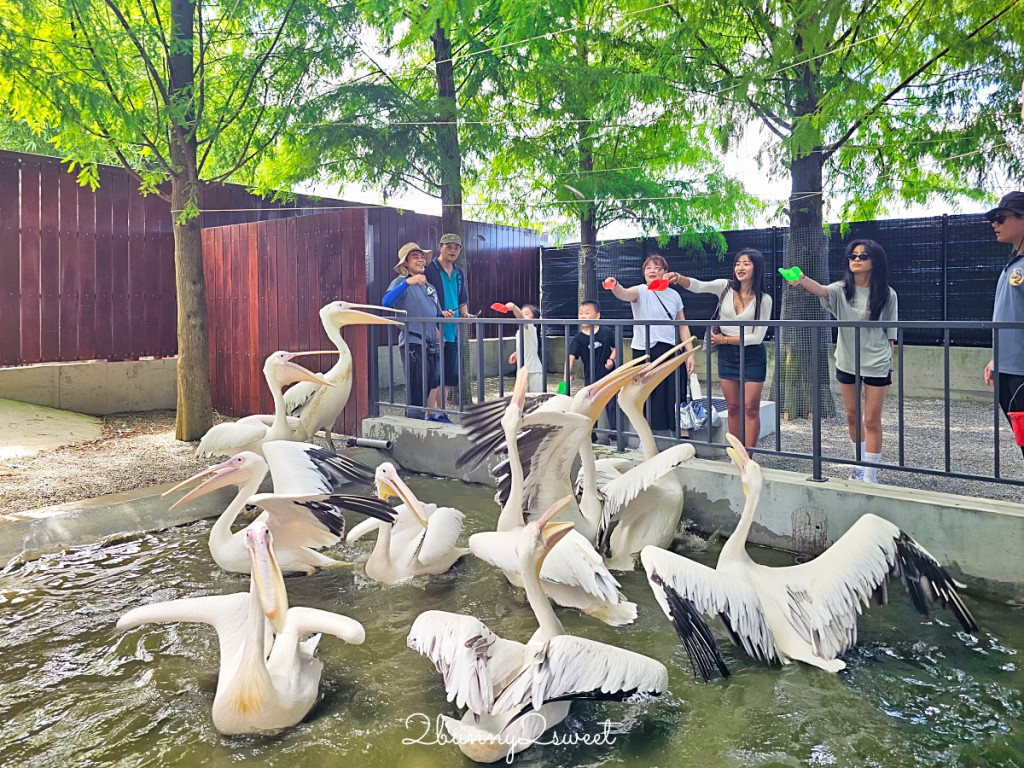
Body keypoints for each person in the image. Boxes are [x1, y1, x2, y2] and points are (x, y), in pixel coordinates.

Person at [786, 239, 898, 482]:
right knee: (852, 416)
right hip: (847, 362)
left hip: (877, 363)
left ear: (875, 262)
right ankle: (859, 466)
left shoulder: (888, 294)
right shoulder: (840, 289)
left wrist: (891, 364)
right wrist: (801, 279)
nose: (856, 260)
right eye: (852, 256)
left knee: (872, 420)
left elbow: (891, 333)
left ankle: (871, 476)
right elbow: (821, 290)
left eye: (863, 256)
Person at [667, 248, 772, 454]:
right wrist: (678, 278)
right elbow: (699, 286)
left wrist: (723, 339)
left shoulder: (764, 299)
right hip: (727, 355)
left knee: (751, 408)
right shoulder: (725, 287)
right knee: (733, 407)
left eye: (746, 263)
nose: (740, 268)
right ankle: (737, 453)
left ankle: (748, 457)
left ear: (757, 267)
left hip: (752, 355)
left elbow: (757, 337)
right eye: (737, 263)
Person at [604, 254, 696, 438]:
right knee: (645, 392)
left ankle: (680, 431)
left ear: (665, 272)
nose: (652, 271)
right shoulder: (641, 290)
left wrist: (690, 352)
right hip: (644, 350)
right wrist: (615, 285)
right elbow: (625, 294)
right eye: (648, 268)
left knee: (675, 390)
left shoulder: (674, 295)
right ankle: (645, 435)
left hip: (670, 349)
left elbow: (682, 325)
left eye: (657, 268)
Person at [382, 242, 445, 421]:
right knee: (416, 386)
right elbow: (386, 302)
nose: (421, 260)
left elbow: (435, 312)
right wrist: (407, 283)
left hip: (431, 343)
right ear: (405, 263)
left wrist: (443, 317)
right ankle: (413, 422)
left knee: (430, 383)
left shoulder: (429, 286)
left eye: (422, 257)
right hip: (413, 342)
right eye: (415, 257)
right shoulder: (400, 282)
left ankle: (425, 419)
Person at [984, 191, 1024, 458]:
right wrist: (996, 358)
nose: (994, 224)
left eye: (1000, 218)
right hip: (1007, 369)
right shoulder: (1014, 263)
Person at [425, 233, 472, 413]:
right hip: (435, 329)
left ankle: (441, 413)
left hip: (453, 329)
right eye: (449, 246)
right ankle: (429, 414)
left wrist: (465, 314)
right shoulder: (430, 269)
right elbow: (425, 297)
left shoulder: (459, 272)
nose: (453, 250)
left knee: (448, 376)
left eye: (456, 247)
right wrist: (438, 313)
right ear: (440, 247)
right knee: (434, 375)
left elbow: (462, 297)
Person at [567, 300, 618, 440]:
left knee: (611, 404)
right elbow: (570, 357)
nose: (583, 316)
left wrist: (611, 359)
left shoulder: (606, 332)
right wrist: (567, 374)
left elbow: (616, 348)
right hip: (590, 377)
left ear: (597, 315)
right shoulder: (578, 338)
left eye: (587, 313)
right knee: (590, 405)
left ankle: (615, 434)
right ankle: (592, 434)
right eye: (580, 313)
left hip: (608, 375)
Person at [505, 303, 545, 393]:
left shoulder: (530, 327)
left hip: (533, 370)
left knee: (537, 397)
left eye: (527, 314)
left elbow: (521, 318)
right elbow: (526, 345)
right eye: (522, 312)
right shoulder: (520, 331)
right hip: (522, 370)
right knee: (521, 397)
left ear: (534, 319)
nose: (523, 315)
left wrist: (514, 307)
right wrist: (517, 353)